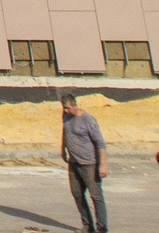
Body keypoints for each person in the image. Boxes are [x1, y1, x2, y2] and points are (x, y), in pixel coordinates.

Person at [60, 93, 108, 233]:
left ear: (75, 106)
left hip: (89, 164)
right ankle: (88, 225)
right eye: (63, 108)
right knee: (77, 194)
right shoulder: (65, 117)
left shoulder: (88, 120)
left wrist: (102, 165)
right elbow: (65, 131)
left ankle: (102, 228)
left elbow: (100, 143)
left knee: (96, 196)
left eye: (67, 108)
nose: (65, 111)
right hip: (73, 163)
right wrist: (63, 148)